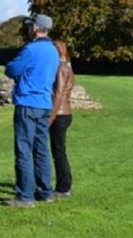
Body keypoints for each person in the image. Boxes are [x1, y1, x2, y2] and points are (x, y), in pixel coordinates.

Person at [3, 14, 60, 207]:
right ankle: (45, 191)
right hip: (44, 103)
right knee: (42, 149)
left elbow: (11, 69)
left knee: (24, 150)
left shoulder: (31, 49)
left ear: (35, 28)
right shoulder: (53, 50)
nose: (28, 29)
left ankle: (25, 195)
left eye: (30, 26)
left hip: (28, 102)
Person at [50, 40, 75, 198]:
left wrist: (50, 117)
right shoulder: (67, 67)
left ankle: (64, 187)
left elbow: (58, 94)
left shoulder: (60, 68)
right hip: (64, 113)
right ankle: (64, 185)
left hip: (59, 114)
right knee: (59, 150)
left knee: (58, 152)